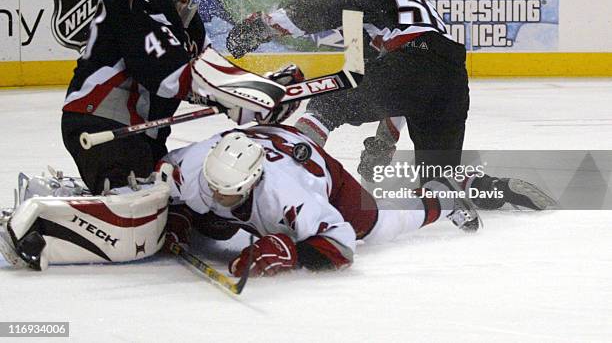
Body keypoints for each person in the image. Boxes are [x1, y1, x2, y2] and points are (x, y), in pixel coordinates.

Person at [225, 0, 556, 212]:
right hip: (453, 77)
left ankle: (288, 170)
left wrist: (257, 28)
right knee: (439, 177)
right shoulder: (417, 7)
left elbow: (313, 11)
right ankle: (496, 189)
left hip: (411, 63)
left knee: (328, 103)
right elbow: (400, 89)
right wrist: (385, 143)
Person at [61, 0, 291, 196]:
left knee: (173, 206)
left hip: (144, 133)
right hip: (102, 121)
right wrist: (254, 92)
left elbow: (207, 76)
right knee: (135, 209)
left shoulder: (187, 19)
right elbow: (168, 75)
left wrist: (252, 103)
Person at [159, 126, 481, 277]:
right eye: (213, 185)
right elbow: (157, 180)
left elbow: (342, 243)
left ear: (252, 183)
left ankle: (443, 197)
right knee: (212, 224)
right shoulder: (195, 166)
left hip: (313, 166)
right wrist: (176, 215)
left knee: (374, 226)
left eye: (226, 191)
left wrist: (292, 253)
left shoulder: (287, 196)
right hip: (259, 138)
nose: (216, 194)